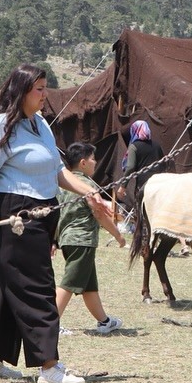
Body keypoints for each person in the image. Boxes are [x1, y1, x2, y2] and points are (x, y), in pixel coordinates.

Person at [0, 64, 107, 383]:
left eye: (45, 88)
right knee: (38, 286)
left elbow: (58, 171)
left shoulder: (40, 124)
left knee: (8, 283)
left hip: (42, 211)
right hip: (14, 214)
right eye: (39, 89)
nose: (45, 95)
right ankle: (49, 366)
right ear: (21, 90)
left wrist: (91, 192)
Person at [55, 141, 125, 335]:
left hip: (67, 240)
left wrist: (53, 240)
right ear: (83, 163)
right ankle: (50, 324)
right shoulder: (87, 186)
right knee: (68, 284)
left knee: (88, 286)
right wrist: (118, 235)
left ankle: (104, 322)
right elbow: (100, 215)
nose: (96, 163)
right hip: (82, 240)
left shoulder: (63, 183)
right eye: (94, 159)